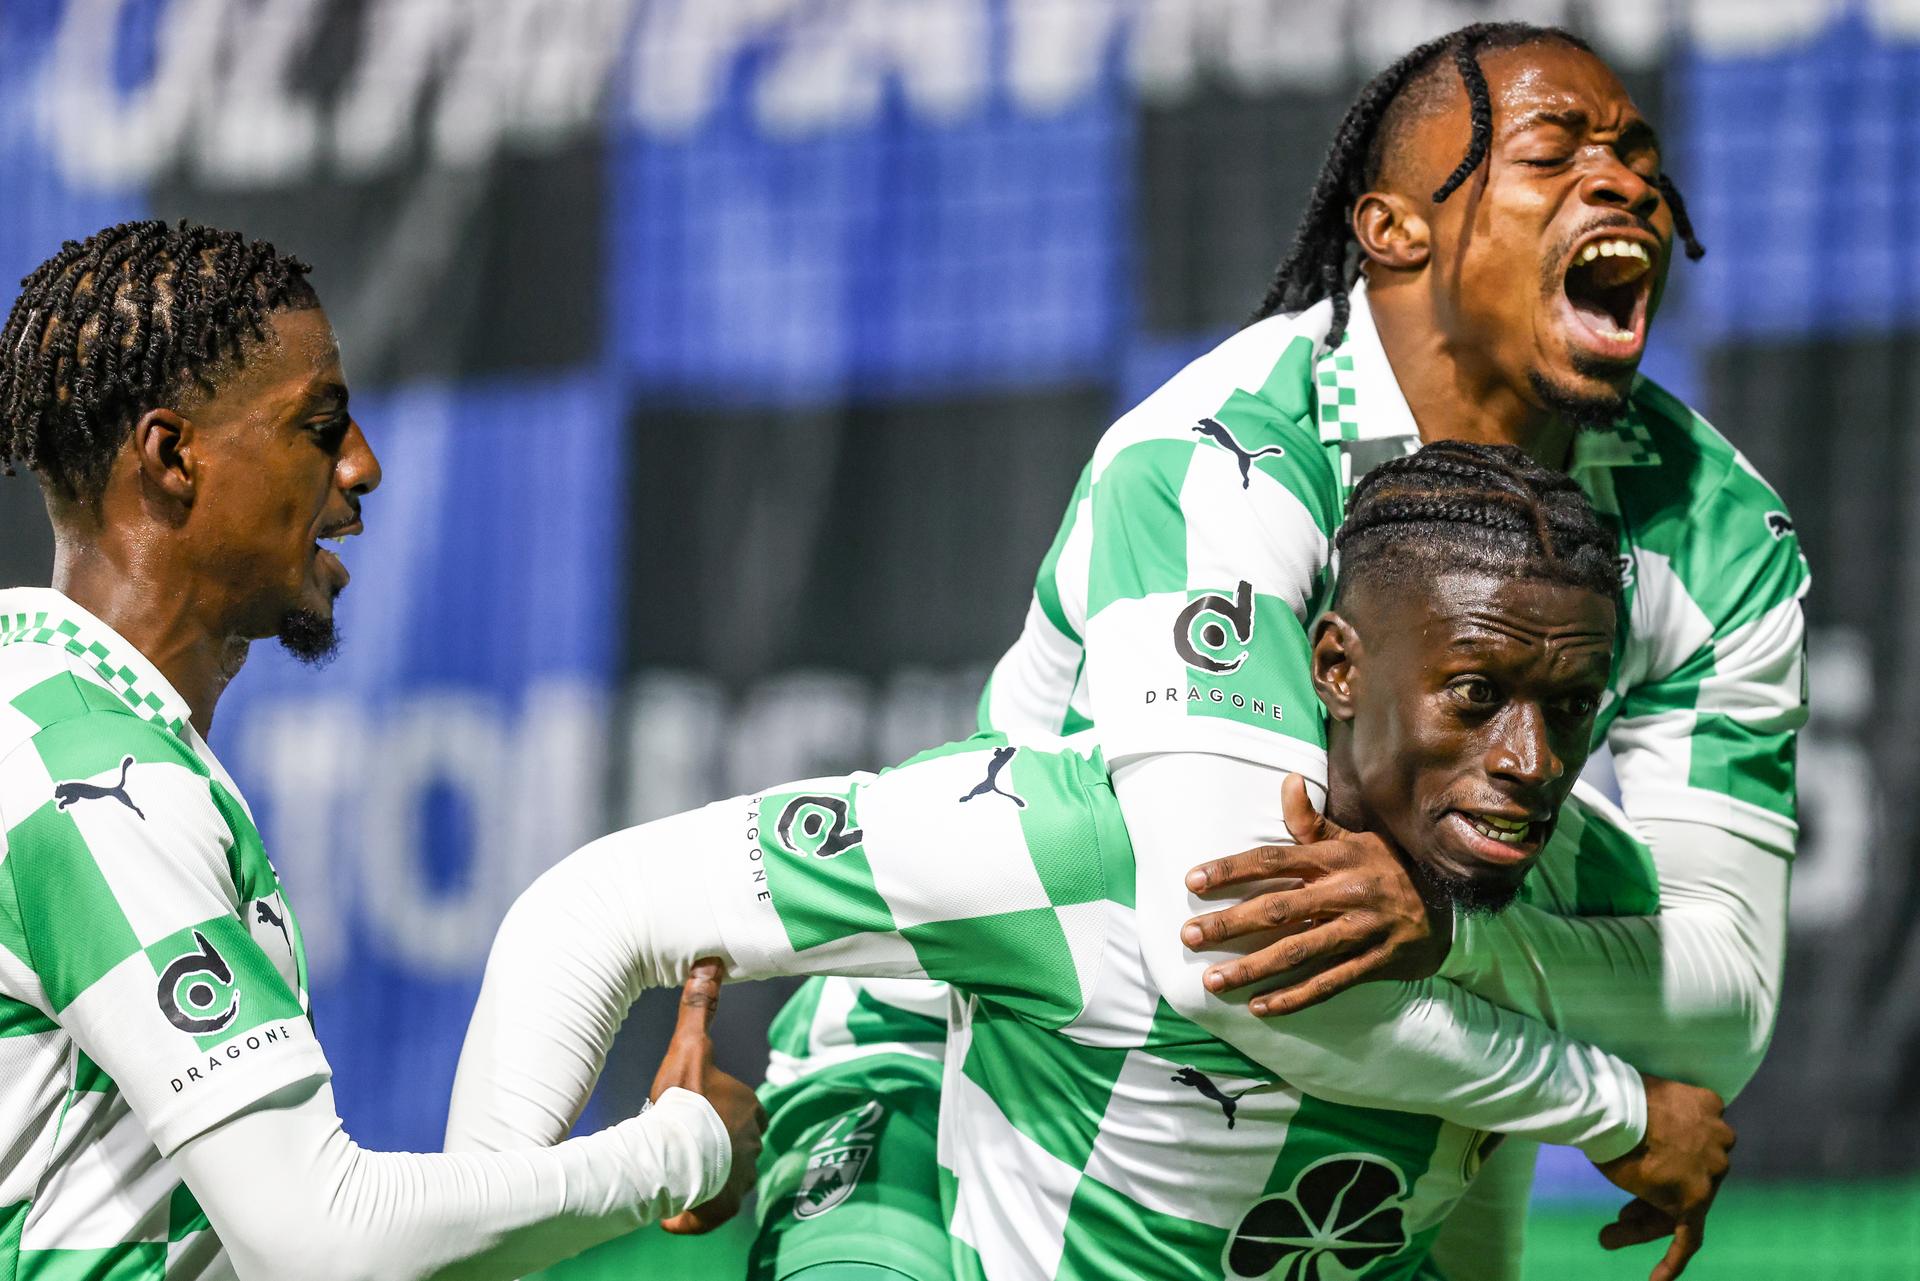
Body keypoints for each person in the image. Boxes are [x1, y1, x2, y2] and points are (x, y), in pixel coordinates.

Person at [755, 21, 1805, 1281]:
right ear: (1395, 231)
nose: (1625, 179)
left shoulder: (1721, 532)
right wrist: (1620, 1110)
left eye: (1638, 155)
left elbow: (1726, 1008)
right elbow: (1235, 955)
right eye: (1556, 151)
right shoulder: (1222, 454)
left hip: (1363, 1096)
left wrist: (1448, 935)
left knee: (1535, 867)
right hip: (978, 1057)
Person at [446, 443, 1735, 1281]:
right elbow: (592, 906)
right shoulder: (1076, 843)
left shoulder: (1572, 880)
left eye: (1570, 710)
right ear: (1335, 668)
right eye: (1474, 694)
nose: (1530, 760)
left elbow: (1480, 1162)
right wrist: (478, 1236)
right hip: (902, 1148)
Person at [0, 219, 765, 1280]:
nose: (363, 466)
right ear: (174, 456)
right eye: (320, 426)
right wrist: (680, 1150)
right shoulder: (84, 779)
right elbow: (322, 1240)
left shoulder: (51, 721)